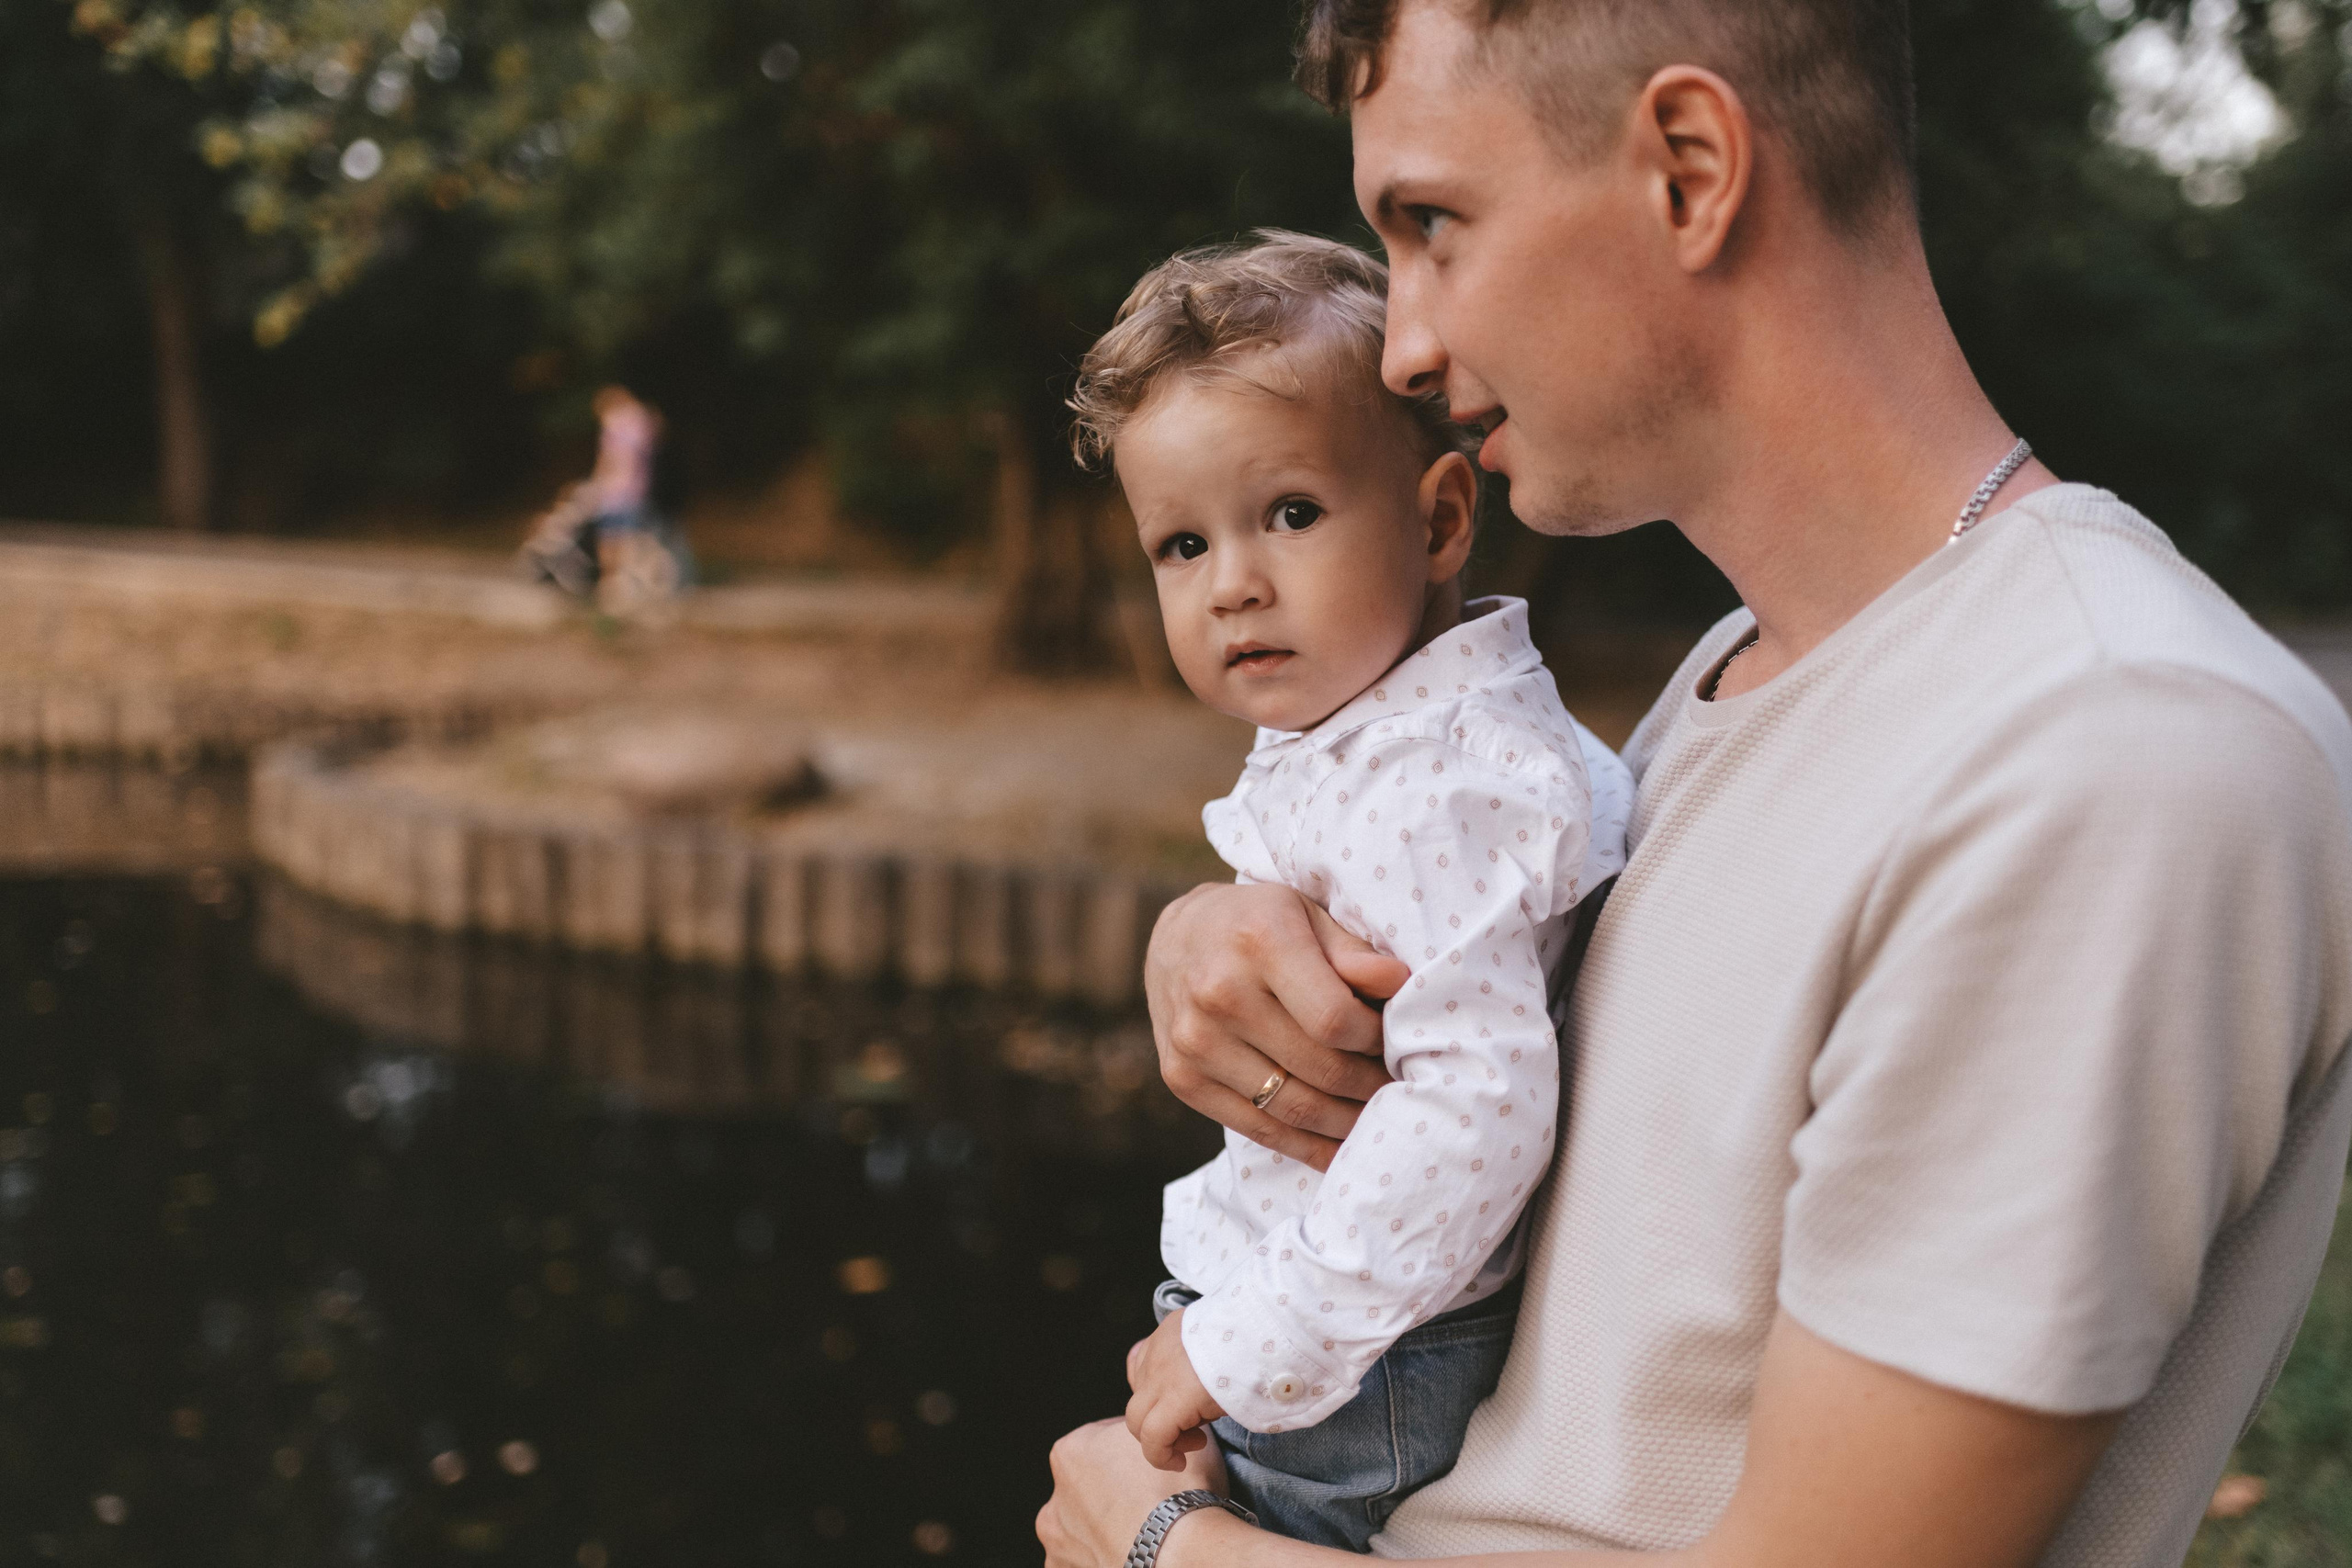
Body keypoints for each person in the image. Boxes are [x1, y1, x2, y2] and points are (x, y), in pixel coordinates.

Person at [1036, 2, 2352, 1565]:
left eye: (1434, 227)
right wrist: (1224, 930)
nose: (1405, 343)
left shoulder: (2120, 751)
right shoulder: (1750, 671)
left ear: (1690, 167)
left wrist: (1170, 1546)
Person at [1065, 231, 1634, 1551]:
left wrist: (1250, 1344)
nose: (1234, 584)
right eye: (1182, 544)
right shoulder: (1403, 729)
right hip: (1332, 1319)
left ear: (1440, 517)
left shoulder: (1438, 785)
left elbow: (1476, 1104)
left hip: (1352, 1353)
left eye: (1292, 514)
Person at [517, 384, 692, 612]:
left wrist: (597, 484)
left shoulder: (616, 424)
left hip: (615, 494)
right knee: (629, 539)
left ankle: (611, 583)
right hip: (637, 493)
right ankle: (624, 583)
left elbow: (612, 460)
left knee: (610, 540)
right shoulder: (643, 423)